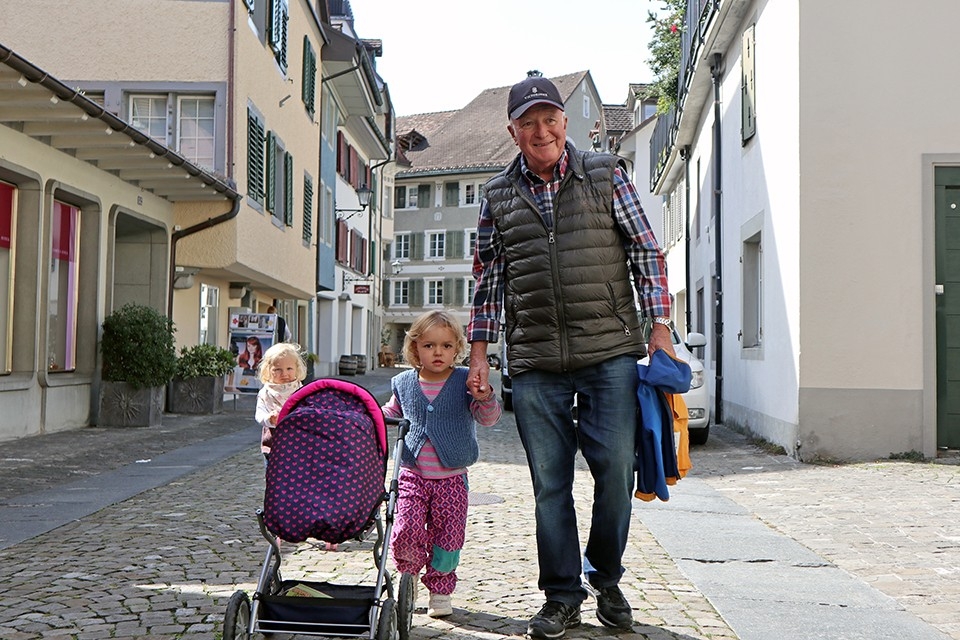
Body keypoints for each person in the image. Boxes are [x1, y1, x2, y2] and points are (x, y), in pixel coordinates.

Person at [466, 74, 676, 639]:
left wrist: (660, 327)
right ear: (513, 132)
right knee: (550, 484)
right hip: (535, 361)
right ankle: (561, 595)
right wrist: (480, 354)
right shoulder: (497, 197)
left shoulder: (607, 175)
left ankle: (606, 578)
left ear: (566, 122)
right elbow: (488, 280)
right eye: (528, 123)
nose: (542, 131)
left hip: (609, 350)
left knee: (613, 472)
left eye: (549, 119)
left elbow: (646, 252)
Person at [382, 309, 501, 619]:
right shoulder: (404, 382)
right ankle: (408, 576)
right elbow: (389, 415)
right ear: (415, 348)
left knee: (448, 537)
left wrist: (485, 396)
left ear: (457, 349)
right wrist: (372, 419)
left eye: (446, 346)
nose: (438, 352)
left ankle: (440, 589)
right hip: (411, 474)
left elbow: (488, 419)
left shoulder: (465, 381)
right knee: (405, 528)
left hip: (451, 478)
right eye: (430, 345)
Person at [255, 342, 306, 463]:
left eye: (289, 369)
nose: (284, 374)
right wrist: (269, 418)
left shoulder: (301, 389)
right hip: (273, 443)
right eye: (278, 369)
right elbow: (259, 414)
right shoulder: (265, 393)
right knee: (273, 472)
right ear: (268, 371)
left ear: (297, 369)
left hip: (299, 441)